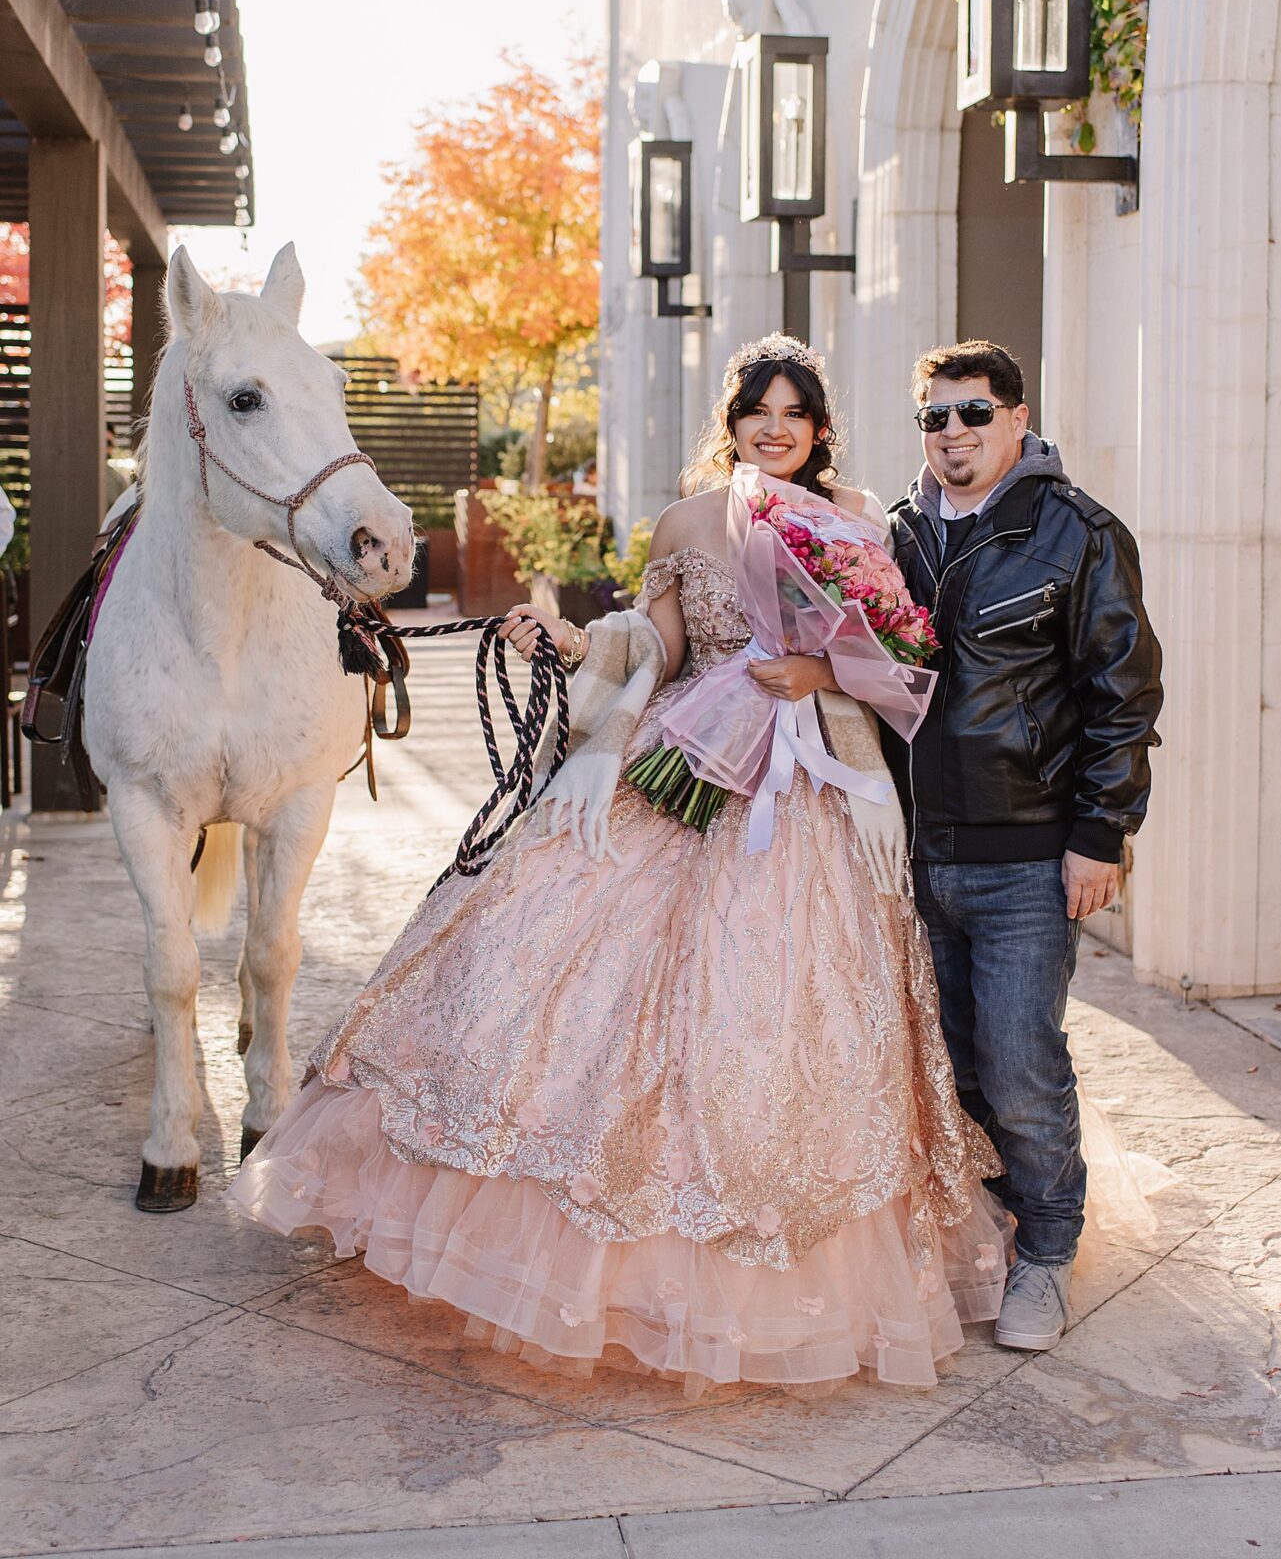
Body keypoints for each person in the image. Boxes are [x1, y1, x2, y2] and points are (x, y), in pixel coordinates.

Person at [229, 335, 1010, 1394]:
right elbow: (659, 646)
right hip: (688, 755)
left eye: (794, 411)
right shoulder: (690, 520)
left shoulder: (861, 522)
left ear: (820, 427)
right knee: (560, 964)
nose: (773, 427)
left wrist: (818, 666)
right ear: (729, 424)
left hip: (810, 778)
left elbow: (895, 651)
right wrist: (565, 640)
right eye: (754, 411)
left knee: (782, 1014)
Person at [882, 339, 1163, 1353]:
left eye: (973, 413)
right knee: (949, 1065)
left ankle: (1048, 1251)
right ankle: (992, 1236)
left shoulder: (1079, 533)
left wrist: (1100, 835)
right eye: (935, 416)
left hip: (1027, 860)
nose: (953, 433)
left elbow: (1123, 697)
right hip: (917, 857)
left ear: (1016, 415)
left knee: (1020, 1061)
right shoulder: (895, 535)